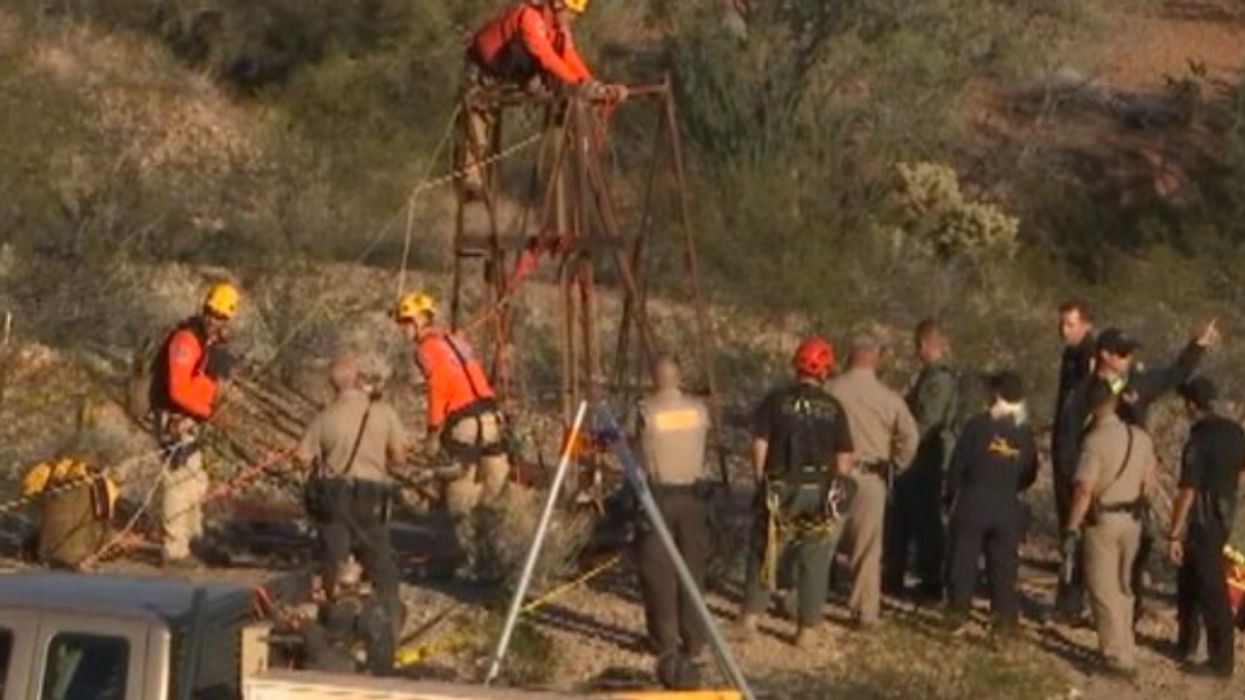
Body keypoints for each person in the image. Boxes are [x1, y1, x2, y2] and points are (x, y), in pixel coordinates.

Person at [1052, 321, 1218, 620]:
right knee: (1080, 542)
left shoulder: (1138, 384)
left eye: (1130, 353)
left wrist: (1199, 345)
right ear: (1104, 355)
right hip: (1095, 475)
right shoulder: (1083, 392)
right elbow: (1067, 440)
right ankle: (1069, 606)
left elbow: (1175, 372)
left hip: (1129, 479)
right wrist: (1070, 480)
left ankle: (1129, 611)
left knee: (1132, 548)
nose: (1127, 358)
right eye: (1121, 353)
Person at [294, 354, 409, 673]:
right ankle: (385, 642)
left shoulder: (325, 417)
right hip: (372, 502)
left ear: (334, 386)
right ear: (359, 380)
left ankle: (336, 644)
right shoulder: (383, 413)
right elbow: (400, 458)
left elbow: (301, 458)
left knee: (336, 571)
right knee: (384, 573)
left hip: (335, 502)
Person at [740, 337, 854, 647]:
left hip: (780, 485)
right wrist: (837, 489)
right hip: (818, 489)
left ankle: (751, 618)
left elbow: (759, 442)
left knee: (766, 549)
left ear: (797, 365)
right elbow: (844, 457)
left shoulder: (776, 400)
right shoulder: (834, 408)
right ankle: (807, 629)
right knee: (813, 558)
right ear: (825, 370)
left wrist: (760, 479)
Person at [460, 0, 627, 197]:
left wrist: (594, 85)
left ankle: (579, 153)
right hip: (485, 72)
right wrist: (580, 84)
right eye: (572, 12)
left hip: (520, 74)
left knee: (565, 97)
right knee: (479, 119)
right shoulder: (529, 18)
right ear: (558, 5)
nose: (574, 18)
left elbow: (568, 56)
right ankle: (472, 178)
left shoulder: (559, 28)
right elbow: (546, 56)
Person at [394, 293, 512, 566]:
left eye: (406, 322)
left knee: (459, 490)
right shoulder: (456, 340)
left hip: (465, 422)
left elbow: (438, 388)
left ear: (421, 320)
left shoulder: (425, 348)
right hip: (491, 417)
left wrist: (433, 431)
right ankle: (494, 549)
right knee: (493, 487)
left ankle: (459, 555)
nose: (403, 328)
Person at [1063, 379, 1157, 678]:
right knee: (1125, 587)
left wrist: (1071, 527)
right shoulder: (1141, 438)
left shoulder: (1095, 441)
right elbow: (1150, 484)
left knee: (1103, 589)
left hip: (1102, 520)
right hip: (1133, 520)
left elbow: (1083, 491)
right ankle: (1126, 646)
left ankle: (1115, 658)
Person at [828, 333, 919, 629]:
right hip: (872, 477)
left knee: (822, 542)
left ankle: (803, 603)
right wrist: (898, 464)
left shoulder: (831, 390)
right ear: (875, 358)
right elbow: (910, 437)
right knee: (867, 549)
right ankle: (865, 612)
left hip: (834, 475)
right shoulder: (888, 398)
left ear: (850, 355)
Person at [631, 356, 712, 684]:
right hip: (695, 497)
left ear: (653, 378)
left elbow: (631, 449)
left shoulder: (644, 411)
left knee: (657, 572)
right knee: (692, 569)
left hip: (658, 497)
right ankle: (695, 641)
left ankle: (663, 642)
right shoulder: (698, 410)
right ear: (679, 377)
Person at [150, 282, 240, 567]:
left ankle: (193, 538)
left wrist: (213, 403)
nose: (216, 320)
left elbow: (201, 383)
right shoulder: (187, 340)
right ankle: (175, 550)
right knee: (178, 482)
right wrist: (209, 413)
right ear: (204, 309)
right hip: (175, 419)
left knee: (196, 481)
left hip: (193, 418)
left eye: (222, 317)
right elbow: (177, 390)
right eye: (212, 313)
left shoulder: (208, 343)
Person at [944, 371, 1038, 634]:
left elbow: (957, 466)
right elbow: (1030, 473)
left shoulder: (977, 426)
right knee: (1003, 566)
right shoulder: (1025, 434)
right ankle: (1003, 620)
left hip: (974, 500)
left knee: (963, 559)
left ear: (995, 396)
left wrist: (950, 497)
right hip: (1008, 504)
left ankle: (958, 615)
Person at [1166, 377, 1243, 680]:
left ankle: (1220, 661)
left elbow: (1188, 489)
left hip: (1204, 519)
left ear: (1190, 406)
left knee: (1211, 589)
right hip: (1225, 515)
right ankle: (1186, 642)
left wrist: (1174, 532)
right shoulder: (1235, 432)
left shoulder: (1199, 440)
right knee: (1189, 578)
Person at [889, 319, 959, 601]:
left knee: (926, 520)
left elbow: (927, 422)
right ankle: (897, 574)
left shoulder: (938, 380)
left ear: (928, 345)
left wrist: (901, 440)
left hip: (927, 457)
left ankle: (931, 581)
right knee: (904, 517)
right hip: (919, 456)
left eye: (918, 345)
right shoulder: (929, 377)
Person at [22, 453, 119, 570]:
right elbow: (104, 528)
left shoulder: (51, 472)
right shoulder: (101, 485)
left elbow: (28, 488)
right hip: (79, 561)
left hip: (47, 556)